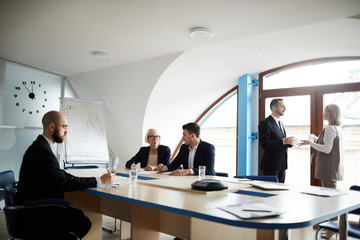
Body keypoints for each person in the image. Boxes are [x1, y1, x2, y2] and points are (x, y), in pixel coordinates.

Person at [15, 111, 114, 240]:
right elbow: (63, 183)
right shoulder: (42, 151)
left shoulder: (41, 146)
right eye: (64, 127)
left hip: (33, 205)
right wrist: (98, 180)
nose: (66, 131)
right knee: (82, 222)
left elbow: (59, 175)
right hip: (36, 212)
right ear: (52, 127)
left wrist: (83, 179)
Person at [300, 104, 344, 188]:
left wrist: (310, 143)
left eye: (325, 112)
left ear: (331, 114)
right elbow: (331, 144)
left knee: (329, 194)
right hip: (333, 167)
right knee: (331, 192)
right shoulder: (337, 128)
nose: (322, 114)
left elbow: (327, 149)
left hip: (328, 169)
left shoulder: (329, 128)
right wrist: (318, 139)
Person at [258, 98, 294, 183]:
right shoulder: (265, 123)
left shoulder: (280, 123)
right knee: (271, 193)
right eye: (282, 106)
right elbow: (264, 144)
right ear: (274, 108)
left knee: (280, 193)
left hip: (282, 164)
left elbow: (281, 141)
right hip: (271, 165)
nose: (285, 109)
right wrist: (283, 141)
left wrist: (290, 142)